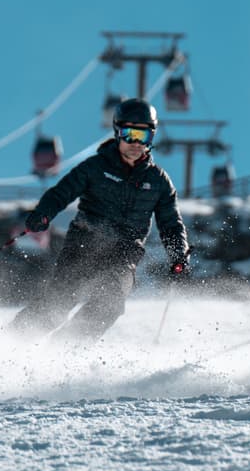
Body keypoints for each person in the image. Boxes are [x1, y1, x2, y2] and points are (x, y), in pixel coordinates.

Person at [10, 98, 190, 340]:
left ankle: (66, 347)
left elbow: (171, 225)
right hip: (85, 243)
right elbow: (62, 192)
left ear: (152, 137)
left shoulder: (158, 182)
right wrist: (43, 214)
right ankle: (13, 339)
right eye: (129, 134)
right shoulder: (95, 167)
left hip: (124, 253)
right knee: (59, 302)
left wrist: (179, 256)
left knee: (111, 301)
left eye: (143, 136)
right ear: (117, 132)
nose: (135, 143)